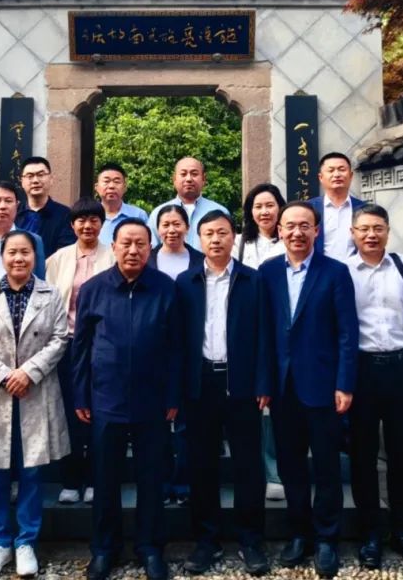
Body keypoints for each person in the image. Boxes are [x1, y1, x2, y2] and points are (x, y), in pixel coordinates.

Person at [73, 219, 181, 580]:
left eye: (140, 244)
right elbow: (80, 347)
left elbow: (176, 348)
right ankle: (104, 549)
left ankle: (150, 548)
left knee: (152, 478)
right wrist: (81, 393)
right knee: (105, 478)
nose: (133, 250)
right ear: (114, 247)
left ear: (150, 248)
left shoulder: (165, 288)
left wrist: (173, 394)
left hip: (153, 400)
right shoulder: (93, 289)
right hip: (105, 398)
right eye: (126, 243)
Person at [0, 231, 71, 578]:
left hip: (35, 390)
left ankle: (26, 542)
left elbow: (60, 338)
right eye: (12, 252)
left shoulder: (50, 295)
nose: (19, 258)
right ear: (3, 256)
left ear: (35, 256)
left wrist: (28, 373)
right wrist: (4, 375)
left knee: (31, 471)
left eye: (25, 252)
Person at [260, 202, 358, 580]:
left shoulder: (335, 272)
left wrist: (345, 383)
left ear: (317, 230)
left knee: (328, 465)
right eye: (290, 226)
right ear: (279, 231)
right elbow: (263, 333)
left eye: (305, 226)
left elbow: (348, 333)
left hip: (324, 386)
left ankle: (327, 538)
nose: (297, 232)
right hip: (282, 388)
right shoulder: (267, 272)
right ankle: (299, 532)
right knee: (290, 465)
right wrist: (264, 384)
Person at [176, 210, 272, 576]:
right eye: (208, 234)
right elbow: (177, 339)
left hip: (241, 383)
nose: (216, 239)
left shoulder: (253, 280)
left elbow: (265, 334)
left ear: (234, 236)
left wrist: (263, 382)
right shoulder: (186, 282)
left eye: (222, 232)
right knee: (202, 465)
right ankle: (207, 541)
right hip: (201, 384)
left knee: (248, 465)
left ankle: (251, 539)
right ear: (199, 239)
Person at [344, 205, 403, 570]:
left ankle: (402, 529)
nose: (371, 235)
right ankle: (370, 531)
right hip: (362, 370)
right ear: (352, 233)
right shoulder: (343, 271)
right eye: (364, 228)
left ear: (387, 231)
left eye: (377, 228)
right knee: (362, 454)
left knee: (401, 453)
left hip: (401, 367)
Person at [45, 199, 116, 505]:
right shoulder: (57, 259)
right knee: (70, 413)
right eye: (81, 220)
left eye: (93, 220)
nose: (87, 226)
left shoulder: (114, 255)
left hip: (104, 344)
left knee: (101, 413)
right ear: (72, 225)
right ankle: (71, 480)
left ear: (102, 223)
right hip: (68, 344)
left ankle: (97, 480)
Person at [233, 183, 287, 502]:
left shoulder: (290, 240)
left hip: (282, 328)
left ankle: (276, 470)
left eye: (270, 205)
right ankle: (260, 470)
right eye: (258, 206)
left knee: (276, 403)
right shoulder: (240, 243)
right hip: (248, 331)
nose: (264, 212)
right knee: (255, 403)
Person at [147, 204, 202, 505]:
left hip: (191, 349)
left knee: (186, 425)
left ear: (187, 227)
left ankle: (183, 484)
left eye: (176, 224)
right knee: (156, 425)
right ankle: (161, 482)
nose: (171, 230)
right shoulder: (147, 258)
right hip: (153, 351)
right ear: (157, 229)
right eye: (165, 224)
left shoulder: (200, 261)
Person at [147, 157, 229, 252]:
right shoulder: (158, 213)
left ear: (203, 179)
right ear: (174, 179)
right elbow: (150, 251)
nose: (189, 179)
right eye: (183, 174)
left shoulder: (219, 212)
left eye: (194, 174)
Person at [308, 153, 366, 261]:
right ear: (321, 177)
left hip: (355, 269)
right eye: (331, 170)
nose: (337, 174)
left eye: (342, 169)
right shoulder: (309, 208)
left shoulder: (364, 208)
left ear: (351, 176)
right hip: (320, 269)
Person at [16, 156, 76, 257]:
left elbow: (65, 252)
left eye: (41, 175)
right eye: (30, 176)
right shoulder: (14, 213)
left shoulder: (66, 215)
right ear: (22, 181)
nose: (35, 180)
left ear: (51, 179)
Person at [95, 162, 149, 246]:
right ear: (96, 187)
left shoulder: (138, 215)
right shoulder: (90, 216)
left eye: (117, 182)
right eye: (106, 181)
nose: (111, 186)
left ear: (125, 187)